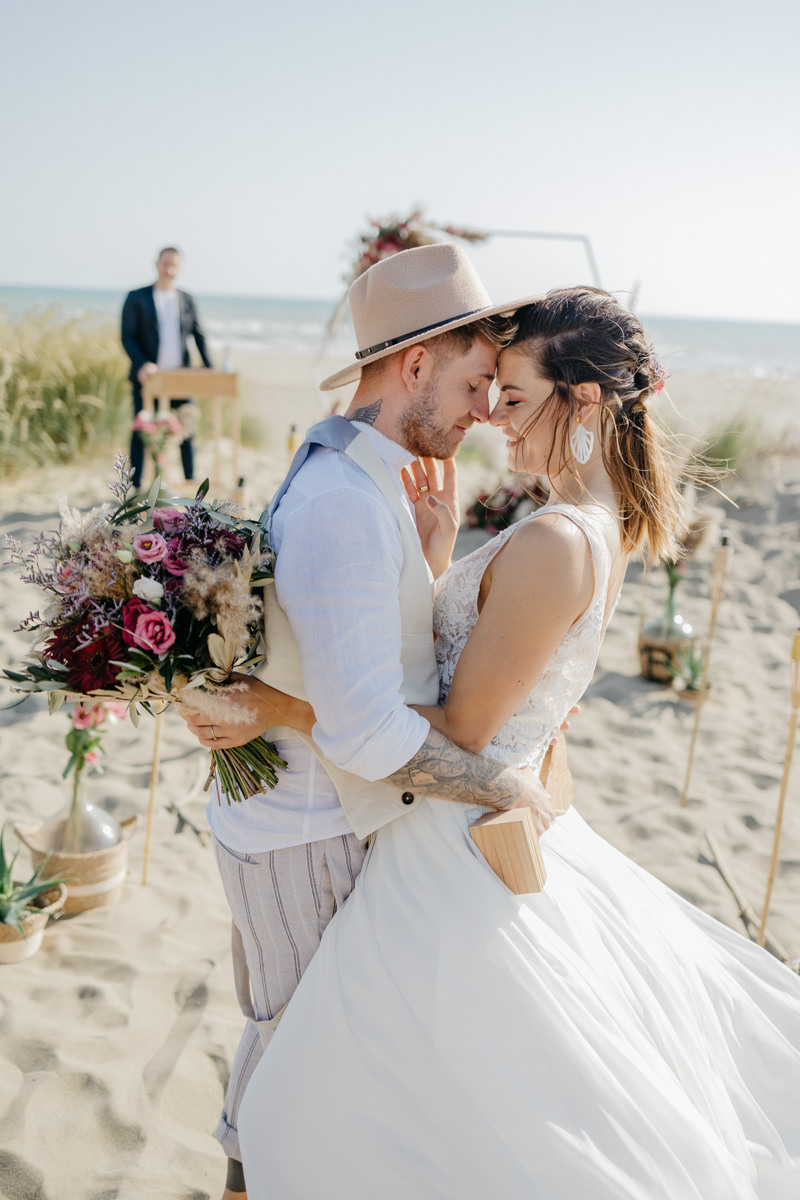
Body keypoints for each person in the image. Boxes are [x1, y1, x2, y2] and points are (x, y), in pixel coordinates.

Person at [229, 287, 800, 1198]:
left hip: (447, 843)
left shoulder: (557, 541)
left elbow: (461, 728)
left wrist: (282, 706)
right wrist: (435, 564)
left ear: (585, 401)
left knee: (334, 1104)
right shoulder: (589, 524)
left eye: (518, 399)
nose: (496, 419)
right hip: (468, 814)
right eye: (493, 395)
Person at [182, 243, 555, 1200]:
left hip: (314, 819)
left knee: (310, 1055)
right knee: (293, 1054)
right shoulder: (345, 499)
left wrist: (429, 564)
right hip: (304, 832)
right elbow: (367, 735)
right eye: (474, 382)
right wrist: (502, 786)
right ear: (415, 363)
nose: (486, 408)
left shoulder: (359, 473)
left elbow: (351, 657)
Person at [121, 246, 213, 489]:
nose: (169, 270)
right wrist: (142, 364)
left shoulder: (187, 299)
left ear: (180, 268)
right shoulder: (136, 297)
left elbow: (199, 334)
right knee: (141, 429)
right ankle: (135, 486)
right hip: (149, 379)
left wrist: (210, 367)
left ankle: (190, 482)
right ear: (157, 265)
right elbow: (127, 336)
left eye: (174, 266)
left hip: (181, 377)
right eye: (165, 265)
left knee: (186, 428)